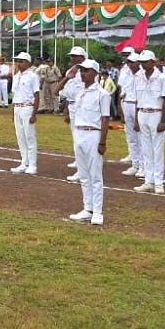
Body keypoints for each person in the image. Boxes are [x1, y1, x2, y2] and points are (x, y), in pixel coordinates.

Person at [67, 59, 111, 226]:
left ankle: (98, 211)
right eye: (82, 71)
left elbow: (105, 119)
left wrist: (102, 142)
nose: (83, 74)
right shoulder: (79, 92)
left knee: (95, 175)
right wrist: (68, 76)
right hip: (79, 133)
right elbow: (59, 91)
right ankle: (87, 208)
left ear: (95, 73)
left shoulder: (102, 94)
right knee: (84, 175)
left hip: (93, 134)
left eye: (86, 71)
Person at [133, 50, 165, 194]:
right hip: (142, 113)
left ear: (153, 62)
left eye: (146, 61)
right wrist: (136, 120)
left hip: (156, 114)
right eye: (141, 62)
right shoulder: (138, 77)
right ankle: (148, 181)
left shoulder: (162, 77)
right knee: (146, 150)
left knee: (157, 150)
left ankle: (159, 183)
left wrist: (162, 121)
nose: (143, 65)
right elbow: (137, 99)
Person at [57, 46, 87, 182]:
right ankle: (79, 163)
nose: (72, 58)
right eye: (72, 56)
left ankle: (83, 170)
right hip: (72, 105)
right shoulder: (70, 71)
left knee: (83, 138)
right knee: (76, 137)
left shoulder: (89, 71)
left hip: (83, 107)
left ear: (82, 57)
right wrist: (66, 110)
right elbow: (64, 91)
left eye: (75, 56)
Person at [10, 52, 40, 174]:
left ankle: (32, 164)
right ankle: (24, 162)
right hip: (17, 107)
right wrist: (13, 112)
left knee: (29, 136)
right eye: (17, 61)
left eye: (21, 61)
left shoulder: (33, 76)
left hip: (27, 107)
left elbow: (36, 95)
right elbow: (14, 94)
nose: (18, 63)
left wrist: (34, 114)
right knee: (20, 136)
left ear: (28, 63)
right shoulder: (16, 76)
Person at [119, 53, 143, 178]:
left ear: (138, 63)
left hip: (137, 105)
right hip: (127, 104)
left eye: (131, 62)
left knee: (140, 138)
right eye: (128, 62)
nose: (129, 64)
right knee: (131, 137)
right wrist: (121, 110)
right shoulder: (126, 74)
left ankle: (143, 167)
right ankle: (135, 164)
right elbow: (122, 92)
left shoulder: (143, 75)